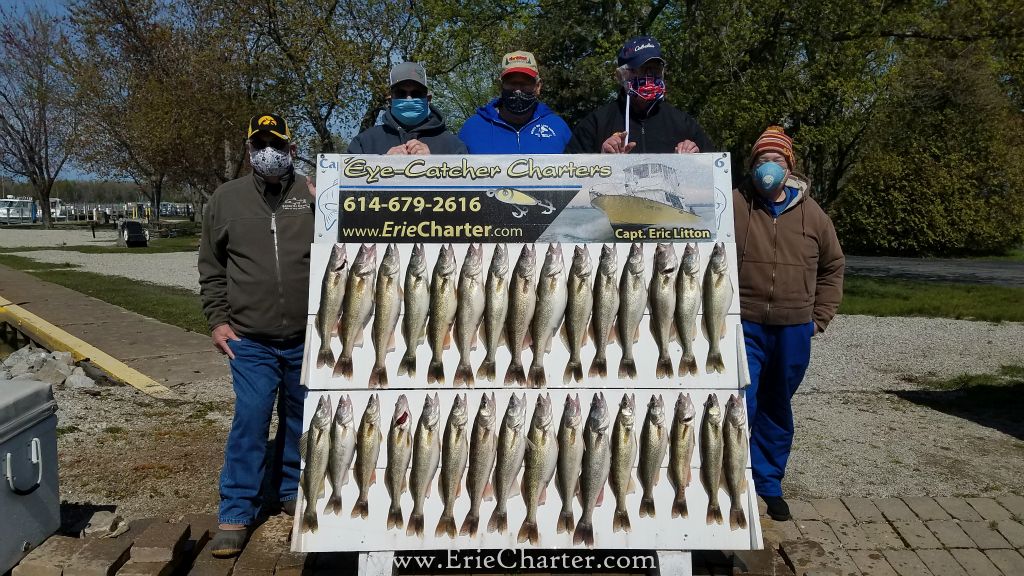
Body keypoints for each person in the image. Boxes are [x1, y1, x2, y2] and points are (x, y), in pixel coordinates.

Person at [199, 113, 314, 557]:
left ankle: (290, 489)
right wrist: (217, 320)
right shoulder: (224, 200)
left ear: (290, 148)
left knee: (300, 417)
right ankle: (236, 510)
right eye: (260, 143)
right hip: (251, 339)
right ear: (248, 150)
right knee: (251, 417)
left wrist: (330, 200)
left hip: (307, 336)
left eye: (278, 143)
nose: (270, 151)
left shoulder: (310, 194)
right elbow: (211, 268)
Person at [733, 126, 845, 520]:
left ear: (790, 168)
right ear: (751, 166)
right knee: (739, 403)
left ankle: (768, 483)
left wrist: (820, 318)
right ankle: (732, 478)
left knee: (777, 406)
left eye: (777, 161)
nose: (769, 167)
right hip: (743, 324)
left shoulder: (814, 215)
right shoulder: (732, 204)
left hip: (795, 327)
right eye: (762, 160)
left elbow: (834, 267)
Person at [565, 36, 713, 154]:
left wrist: (696, 160)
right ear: (622, 75)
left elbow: (718, 175)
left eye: (655, 70)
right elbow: (569, 179)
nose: (649, 77)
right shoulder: (596, 124)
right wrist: (602, 160)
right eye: (643, 69)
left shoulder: (683, 123)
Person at [458, 51, 571, 154]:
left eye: (525, 83)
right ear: (500, 85)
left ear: (538, 86)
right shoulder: (472, 129)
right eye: (511, 83)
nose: (517, 90)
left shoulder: (558, 128)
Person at [348, 62, 467, 155]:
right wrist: (382, 164)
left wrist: (433, 164)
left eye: (416, 93)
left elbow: (466, 183)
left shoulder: (453, 145)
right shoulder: (365, 142)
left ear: (428, 99)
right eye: (401, 93)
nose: (409, 98)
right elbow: (346, 181)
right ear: (390, 100)